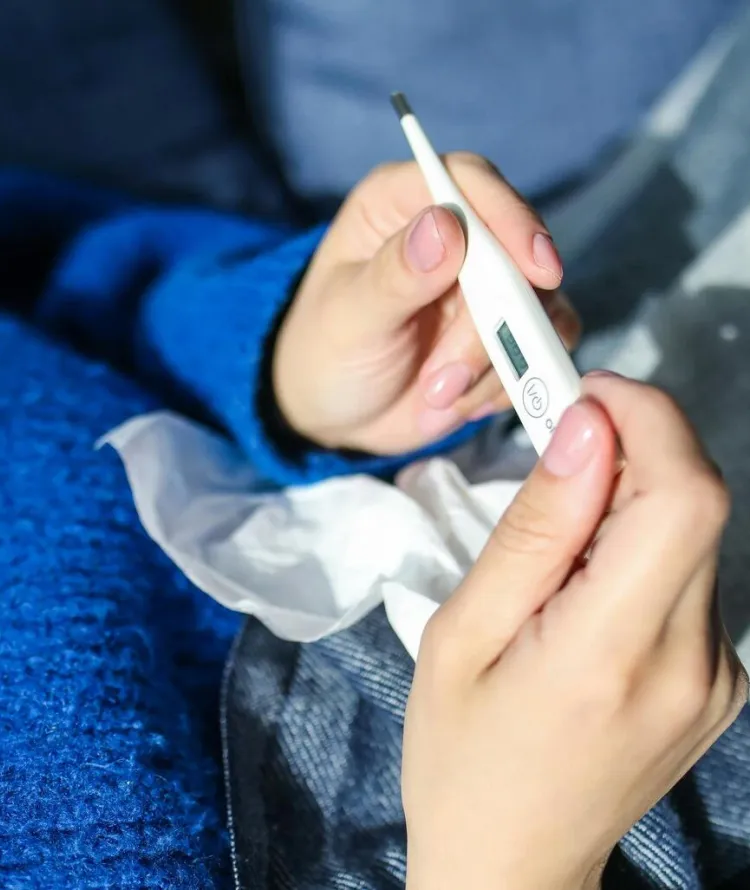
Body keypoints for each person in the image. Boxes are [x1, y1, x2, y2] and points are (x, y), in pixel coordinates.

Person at [0, 141, 748, 889]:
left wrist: (279, 370)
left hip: (449, 448)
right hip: (593, 805)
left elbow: (75, 282)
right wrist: (505, 865)